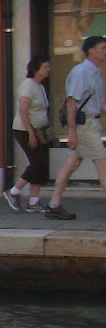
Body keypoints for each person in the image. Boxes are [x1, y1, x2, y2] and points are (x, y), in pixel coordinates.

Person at [43, 35, 106, 221]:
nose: (105, 51)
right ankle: (53, 205)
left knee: (72, 163)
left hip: (91, 124)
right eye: (103, 48)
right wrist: (72, 132)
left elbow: (101, 103)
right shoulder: (81, 72)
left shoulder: (96, 73)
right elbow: (72, 102)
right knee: (102, 164)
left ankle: (54, 205)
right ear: (91, 51)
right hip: (84, 126)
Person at [6, 56, 51, 213]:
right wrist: (31, 134)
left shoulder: (40, 86)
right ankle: (14, 191)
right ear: (35, 69)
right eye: (45, 67)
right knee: (37, 162)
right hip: (25, 130)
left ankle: (34, 201)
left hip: (40, 131)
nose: (48, 70)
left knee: (41, 164)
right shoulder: (28, 85)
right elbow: (23, 110)